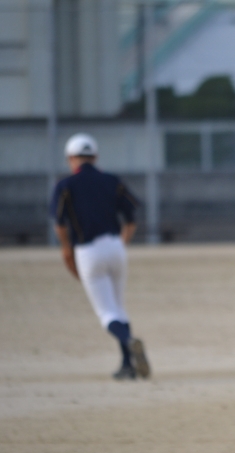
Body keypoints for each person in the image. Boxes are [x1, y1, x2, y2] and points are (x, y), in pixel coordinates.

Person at [50, 133, 150, 380]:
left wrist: (66, 249)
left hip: (88, 251)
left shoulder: (65, 186)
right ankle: (127, 365)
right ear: (95, 157)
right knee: (119, 307)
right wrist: (120, 244)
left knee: (107, 313)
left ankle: (128, 341)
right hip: (115, 246)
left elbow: (59, 224)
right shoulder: (112, 180)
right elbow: (131, 219)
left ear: (71, 158)